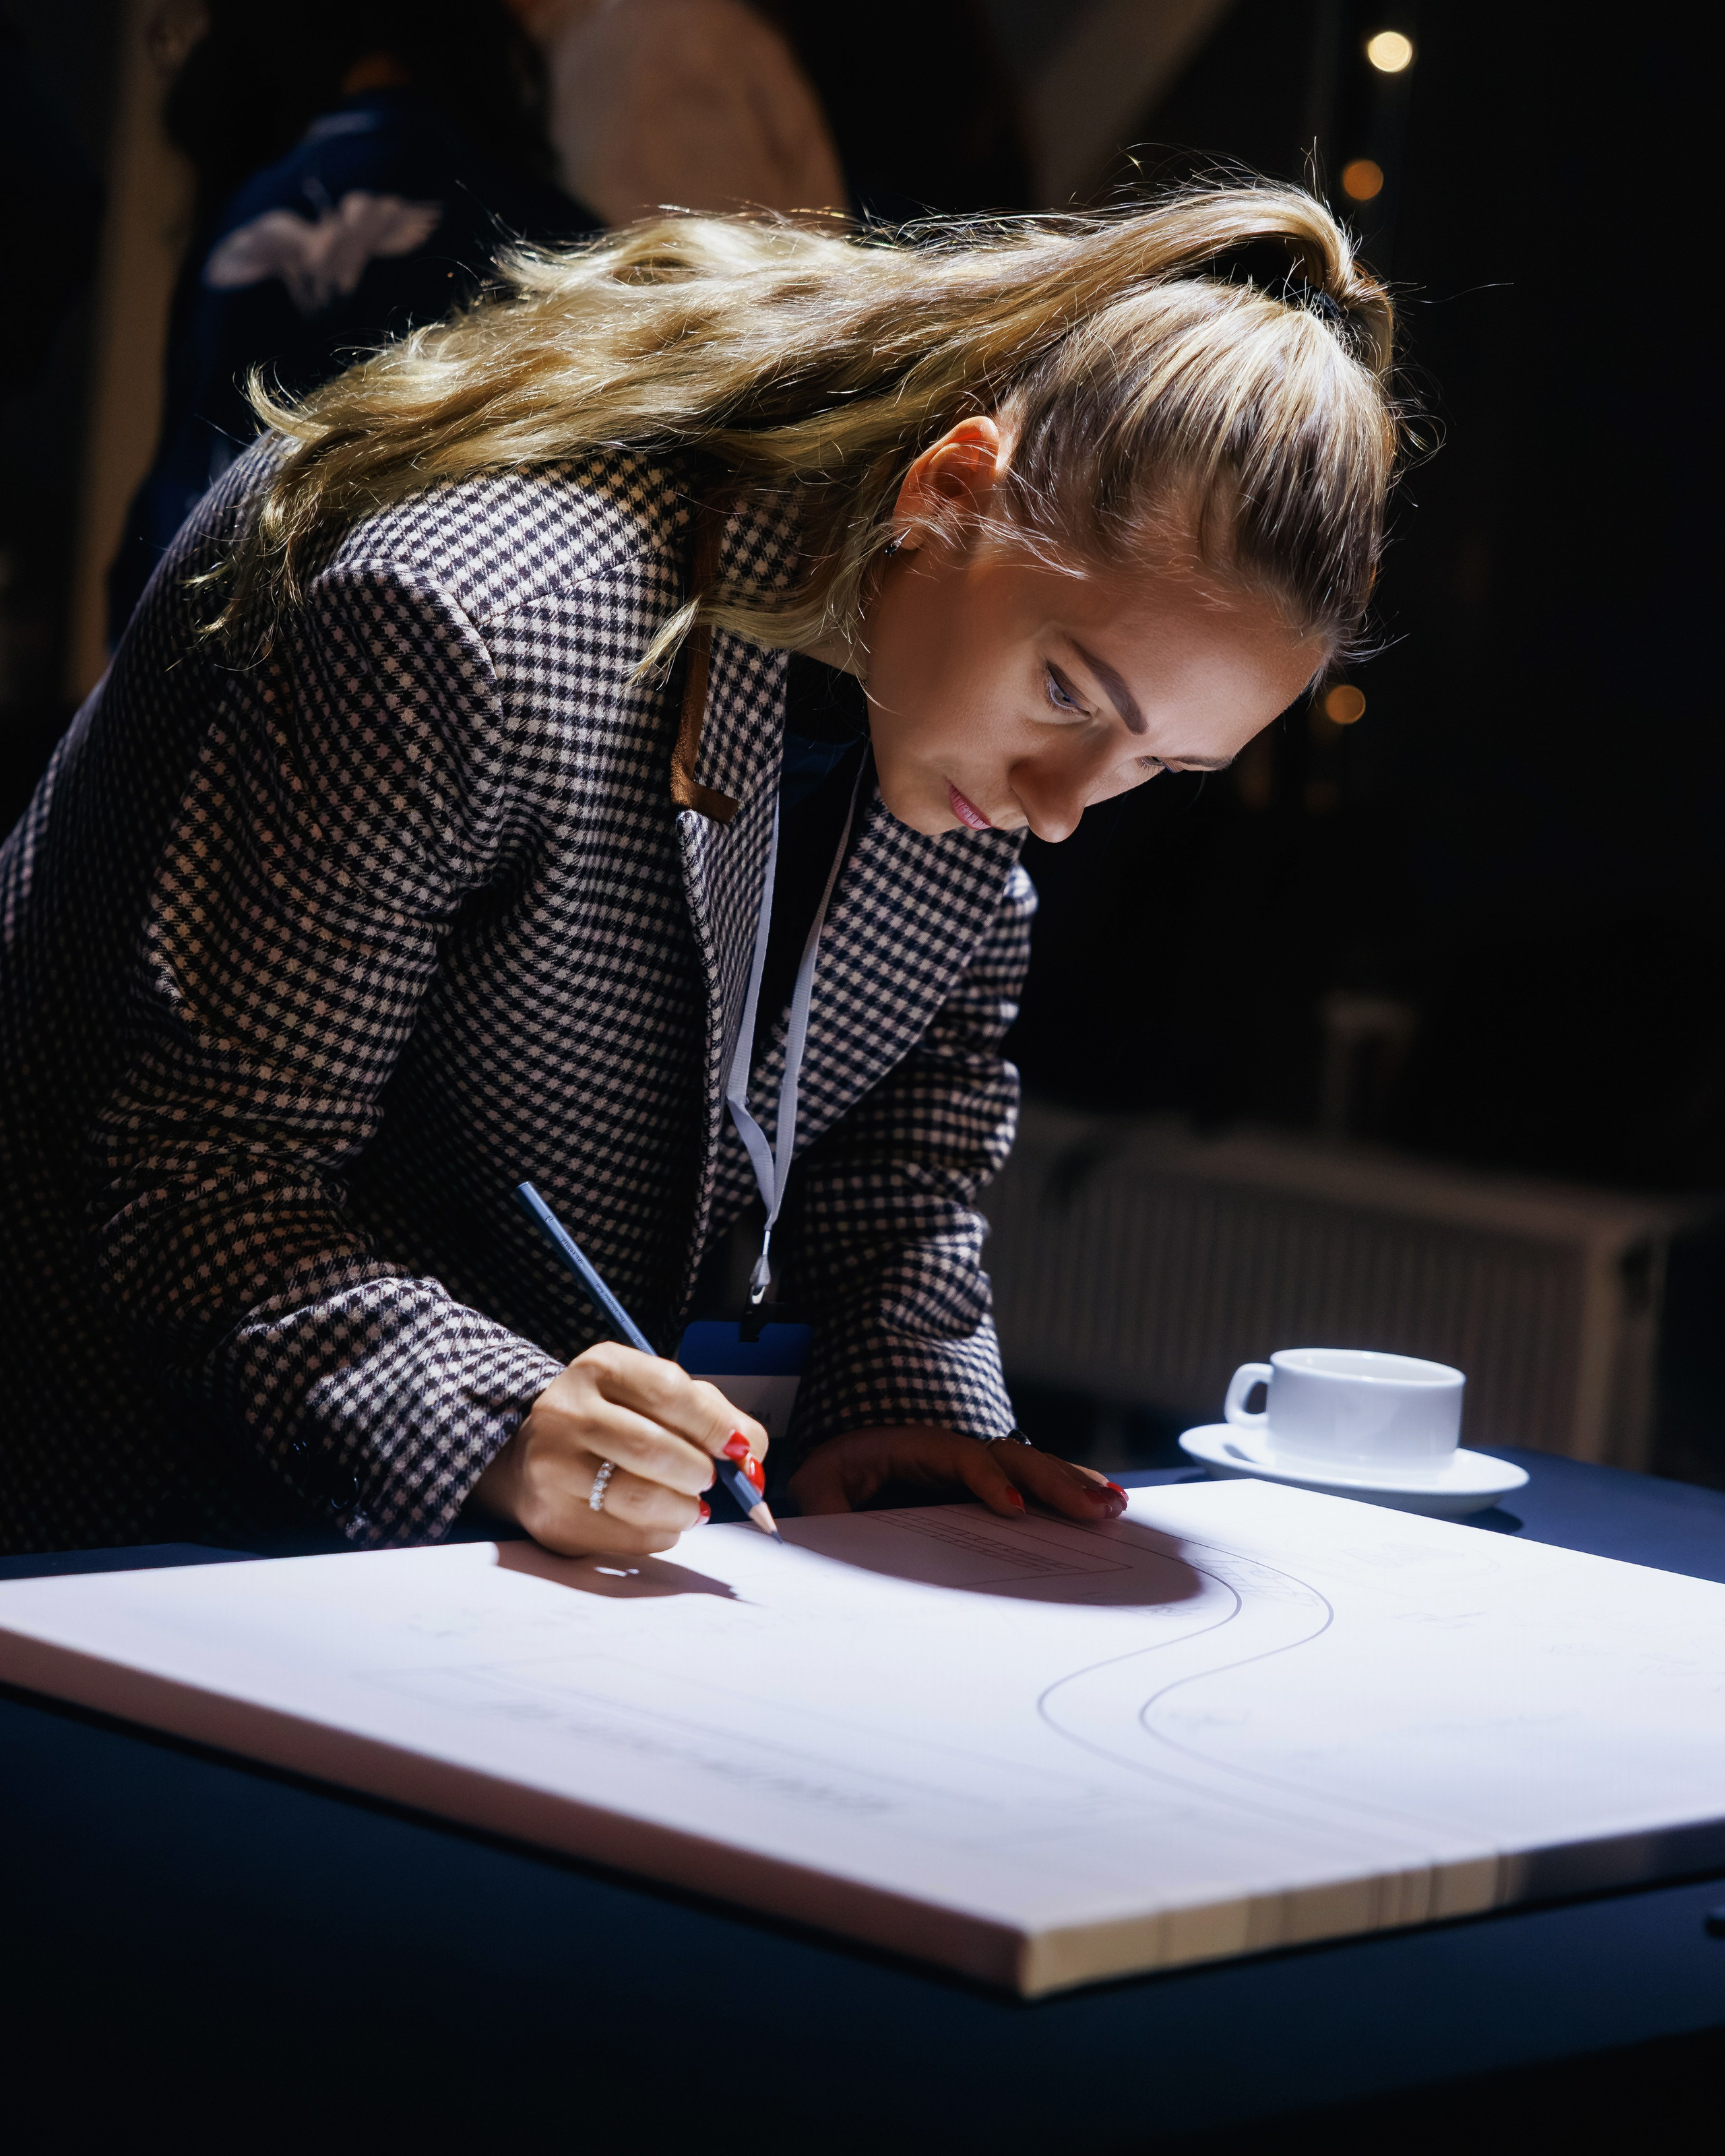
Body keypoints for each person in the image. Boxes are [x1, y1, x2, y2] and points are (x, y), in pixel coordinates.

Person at [0, 184, 1401, 1558]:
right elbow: (201, 1179)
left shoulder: (963, 723)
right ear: (950, 488)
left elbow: (894, 1190)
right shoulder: (474, 621)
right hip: (90, 1497)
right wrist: (495, 1418)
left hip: (436, 1562)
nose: (1060, 813)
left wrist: (902, 1416)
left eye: (1160, 767)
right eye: (1068, 694)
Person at [107, 0, 596, 643]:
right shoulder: (547, 238)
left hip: (211, 676)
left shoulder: (236, 228)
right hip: (438, 682)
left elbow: (161, 535)